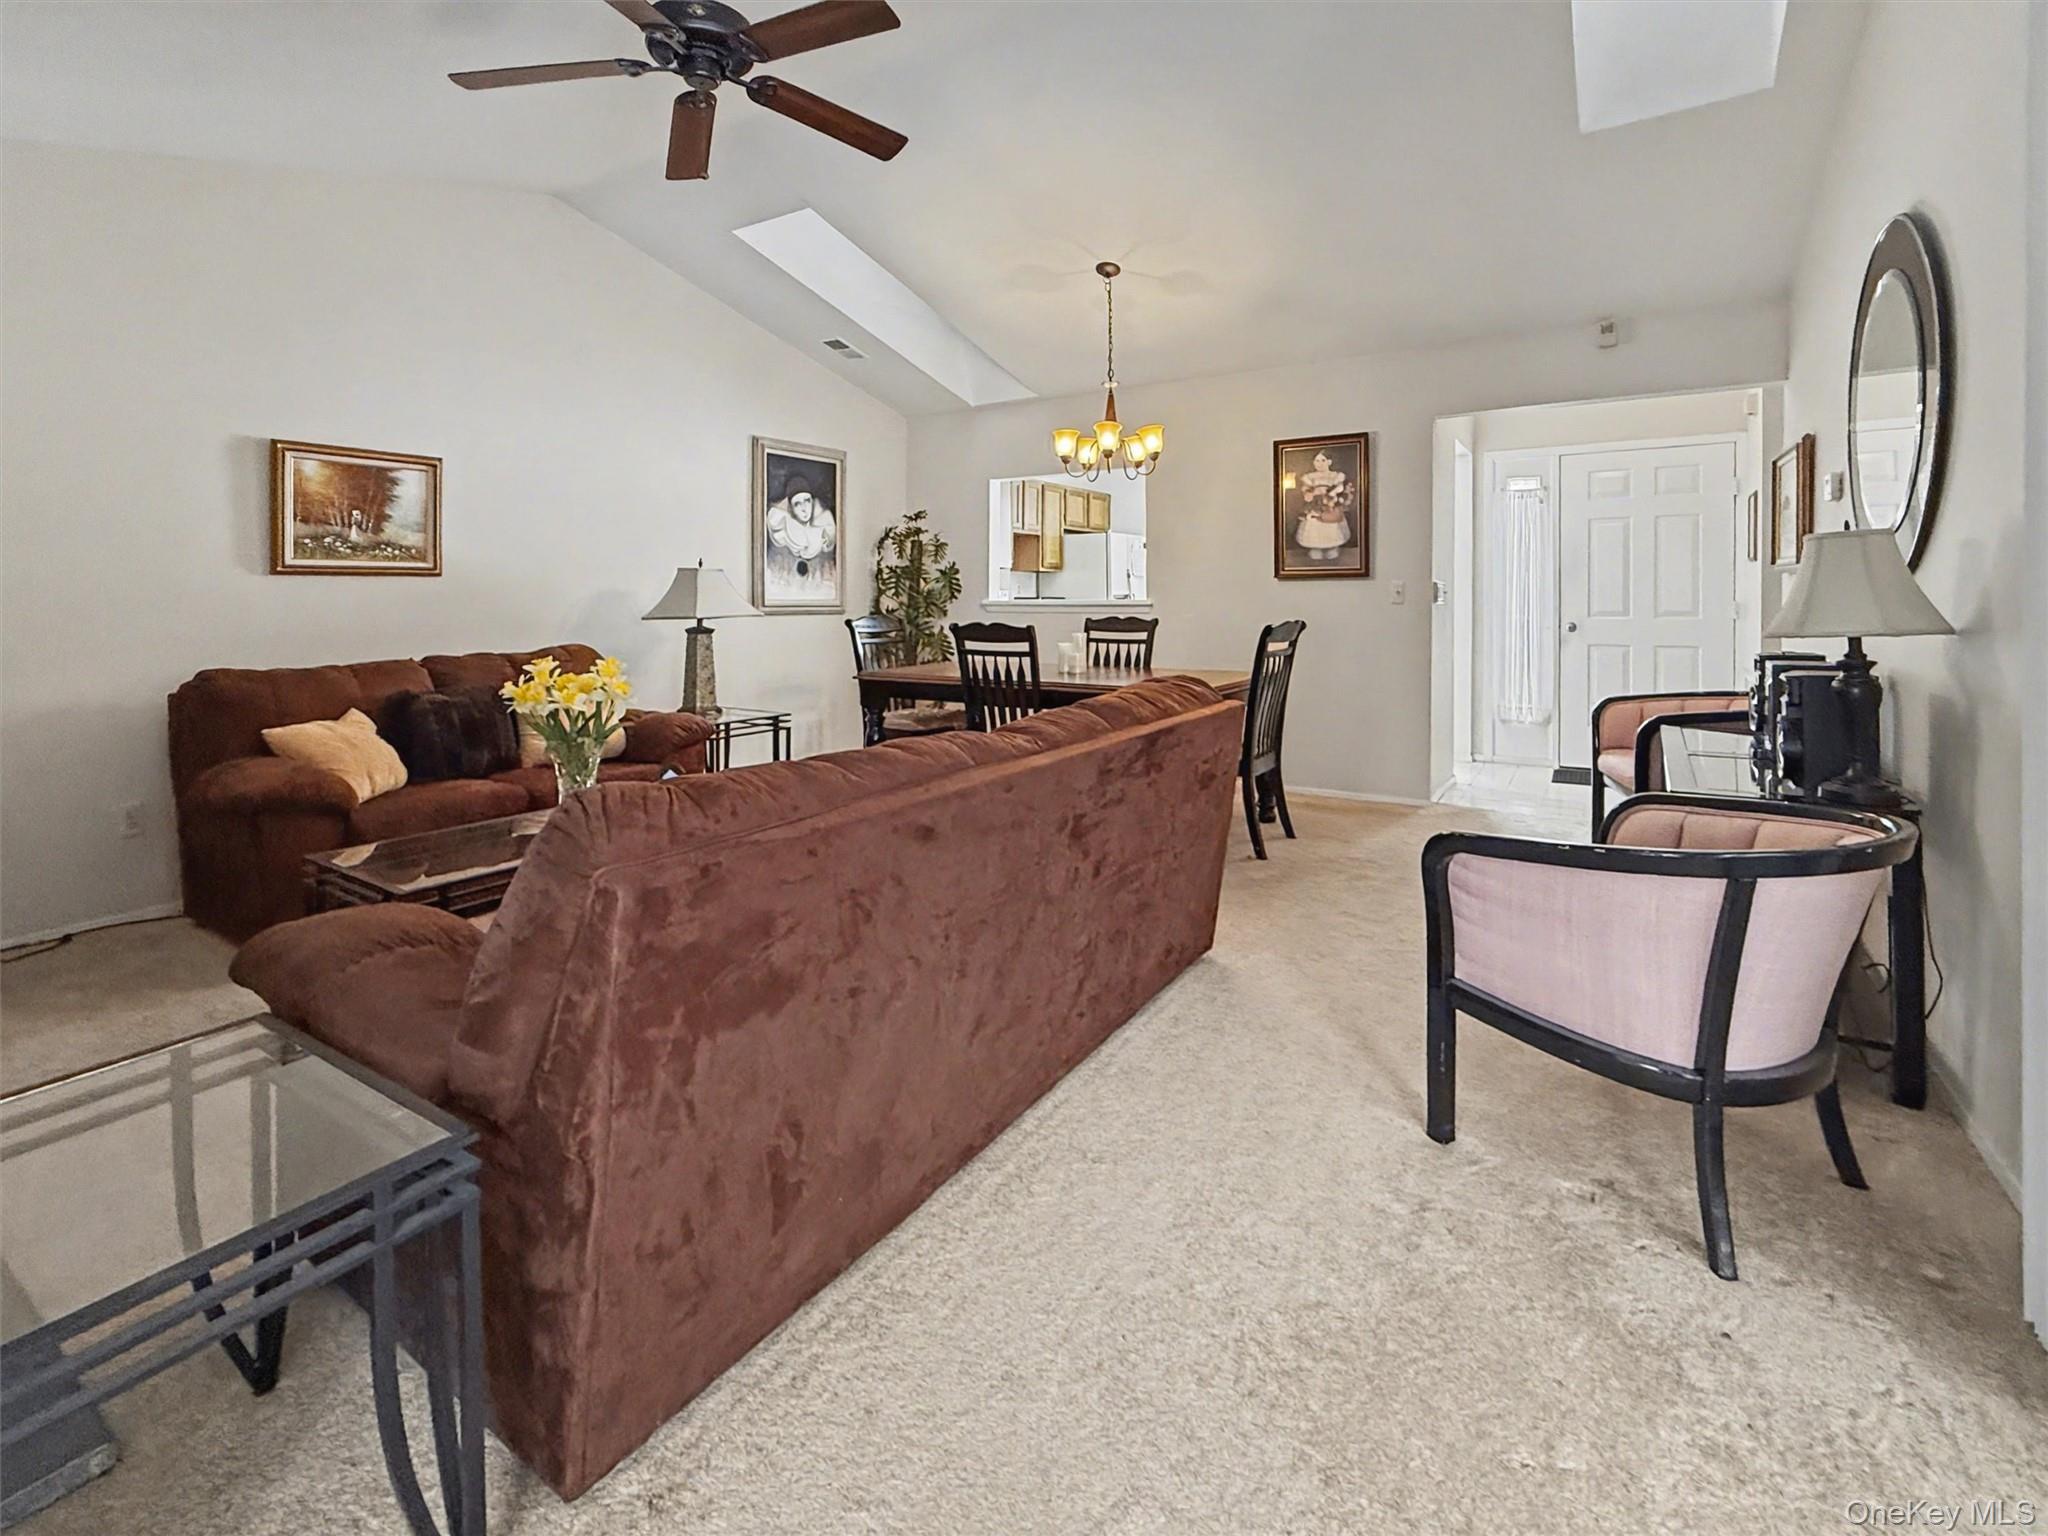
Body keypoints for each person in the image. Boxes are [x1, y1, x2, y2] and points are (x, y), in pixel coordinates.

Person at [766, 475, 837, 579]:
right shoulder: (783, 535)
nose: (804, 508)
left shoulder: (825, 531)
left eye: (807, 500)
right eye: (797, 504)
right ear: (791, 508)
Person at [1293, 450, 1355, 562]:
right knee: (1314, 526)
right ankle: (1316, 549)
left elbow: (1339, 488)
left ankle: (1332, 548)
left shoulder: (1335, 476)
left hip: (1330, 505)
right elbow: (1306, 489)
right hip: (1315, 505)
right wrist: (1310, 493)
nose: (1319, 463)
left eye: (1323, 460)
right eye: (1316, 461)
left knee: (1331, 526)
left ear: (1329, 462)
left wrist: (1332, 494)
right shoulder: (1310, 477)